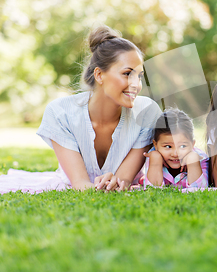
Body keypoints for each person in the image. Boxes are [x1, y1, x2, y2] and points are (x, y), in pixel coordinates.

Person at [36, 25, 161, 192]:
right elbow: (79, 183)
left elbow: (122, 182)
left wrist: (114, 183)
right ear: (99, 75)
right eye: (127, 74)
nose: (136, 85)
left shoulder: (146, 112)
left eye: (139, 76)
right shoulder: (61, 113)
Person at [143, 108, 209, 189]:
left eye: (182, 146)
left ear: (192, 145)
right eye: (168, 146)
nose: (175, 154)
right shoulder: (154, 155)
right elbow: (152, 190)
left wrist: (192, 162)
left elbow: (200, 190)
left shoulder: (200, 157)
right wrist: (155, 160)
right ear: (155, 145)